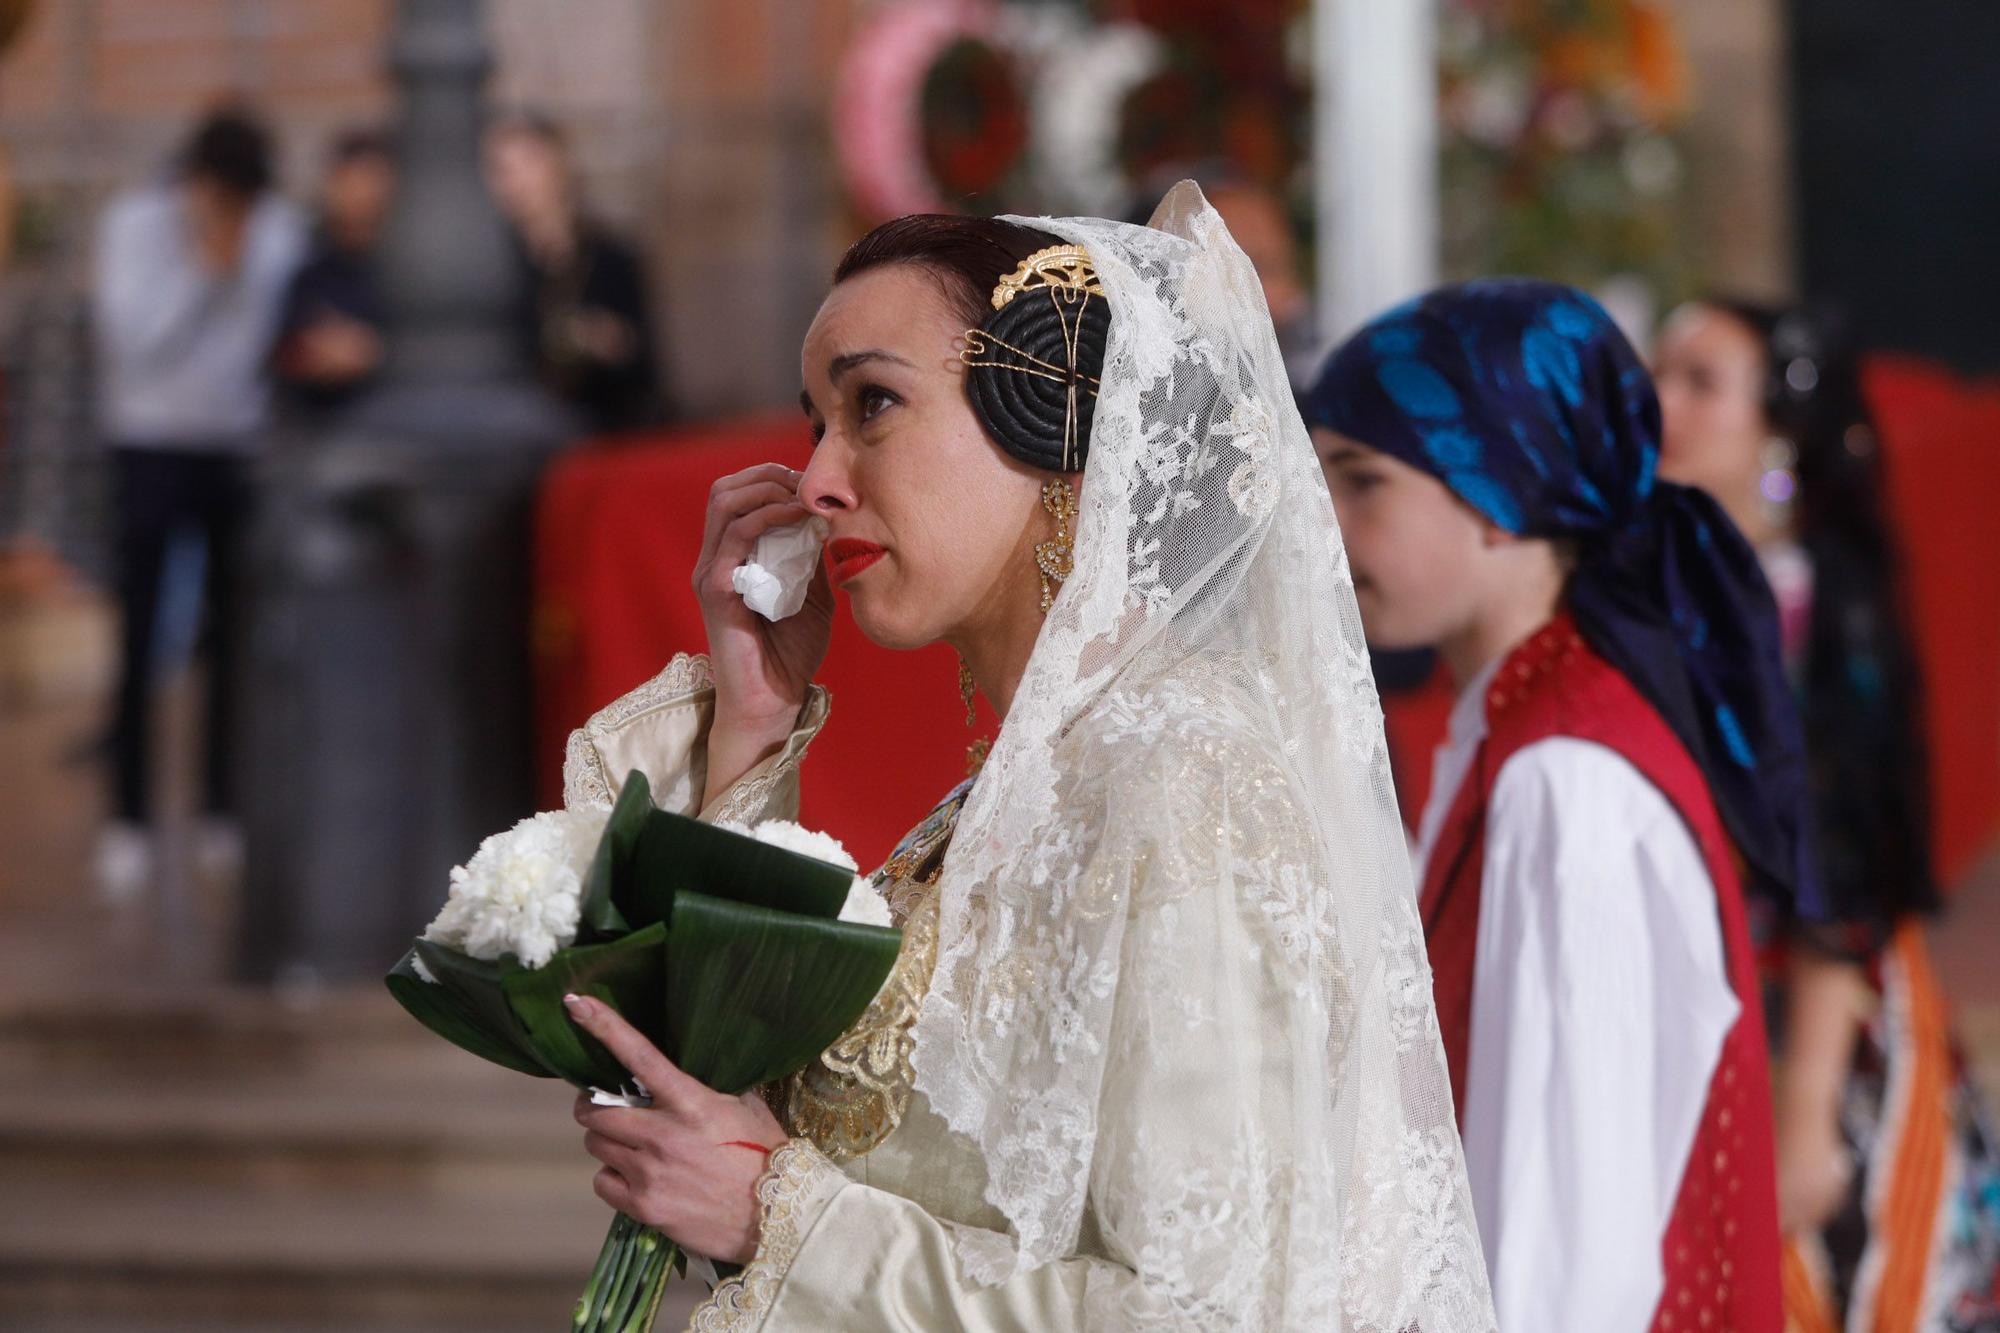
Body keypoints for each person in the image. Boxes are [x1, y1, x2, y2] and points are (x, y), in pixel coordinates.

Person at [553, 185, 1497, 1329]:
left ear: (1057, 430)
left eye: (874, 405)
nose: (814, 483)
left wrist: (777, 1216)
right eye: (816, 421)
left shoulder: (1182, 779)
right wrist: (753, 715)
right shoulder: (1028, 781)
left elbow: (1218, 1305)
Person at [1304, 280, 1812, 1330]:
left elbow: (1562, 1262)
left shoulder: (1566, 778)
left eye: (1359, 482)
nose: (1319, 522)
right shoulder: (1517, 724)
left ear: (1498, 497)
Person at [1653, 299, 2000, 1331]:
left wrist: (1803, 1106)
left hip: (1809, 1024)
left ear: (1779, 428)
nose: (1658, 404)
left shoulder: (1792, 607)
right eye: (1655, 373)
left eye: (1698, 382)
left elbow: (1833, 864)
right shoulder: (1693, 594)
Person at [92, 105, 306, 897]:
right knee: (140, 635)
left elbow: (271, 348)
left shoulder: (278, 229)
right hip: (148, 442)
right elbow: (129, 342)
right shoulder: (136, 224)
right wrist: (201, 272)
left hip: (235, 449)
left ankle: (222, 805)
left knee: (234, 636)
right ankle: (128, 818)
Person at [483, 110, 663, 432]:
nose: (516, 181)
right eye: (501, 170)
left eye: (528, 163)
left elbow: (645, 364)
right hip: (523, 423)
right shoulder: (494, 264)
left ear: (559, 165)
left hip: (603, 421)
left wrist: (607, 341)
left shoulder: (608, 257)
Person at [271, 128, 394, 413]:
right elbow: (283, 350)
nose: (362, 195)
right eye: (351, 181)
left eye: (371, 181)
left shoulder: (413, 273)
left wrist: (373, 353)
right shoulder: (308, 271)